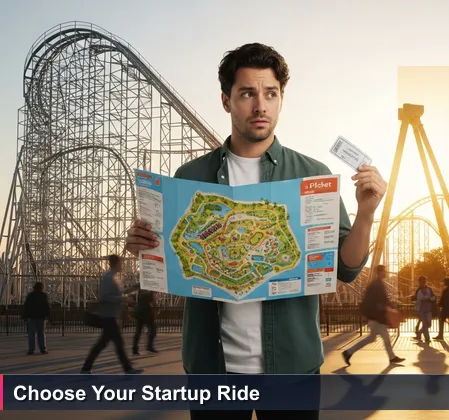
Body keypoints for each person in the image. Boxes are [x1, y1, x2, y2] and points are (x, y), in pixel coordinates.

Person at [123, 43, 383, 420]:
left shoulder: (312, 174)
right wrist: (143, 245)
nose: (260, 106)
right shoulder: (188, 178)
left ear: (281, 100)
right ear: (227, 101)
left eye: (270, 94)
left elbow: (346, 268)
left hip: (292, 370)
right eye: (247, 93)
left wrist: (367, 214)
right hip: (214, 373)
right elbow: (168, 263)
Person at [81, 255, 143, 374]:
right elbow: (105, 297)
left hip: (112, 316)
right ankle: (127, 368)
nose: (123, 265)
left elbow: (118, 294)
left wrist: (132, 289)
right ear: (116, 263)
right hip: (109, 317)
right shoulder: (109, 278)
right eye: (121, 263)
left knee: (102, 344)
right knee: (117, 344)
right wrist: (123, 299)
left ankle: (86, 367)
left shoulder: (114, 277)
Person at [342, 265, 404, 365]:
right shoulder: (377, 285)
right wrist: (388, 309)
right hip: (377, 317)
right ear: (379, 272)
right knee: (382, 338)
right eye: (384, 271)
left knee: (373, 338)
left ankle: (348, 352)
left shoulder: (377, 284)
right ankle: (392, 357)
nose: (385, 273)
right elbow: (379, 301)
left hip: (376, 317)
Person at [22, 281, 51, 355]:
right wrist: (49, 316)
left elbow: (26, 306)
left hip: (32, 317)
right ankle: (43, 349)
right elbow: (47, 307)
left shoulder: (30, 295)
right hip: (41, 317)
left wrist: (25, 316)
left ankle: (31, 350)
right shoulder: (44, 295)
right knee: (41, 333)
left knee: (31, 334)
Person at [131, 289, 157, 355]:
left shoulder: (141, 291)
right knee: (152, 330)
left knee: (138, 332)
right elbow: (151, 300)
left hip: (140, 313)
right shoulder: (149, 292)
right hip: (146, 314)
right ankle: (149, 347)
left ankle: (135, 349)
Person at [413, 276, 436, 343]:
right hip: (421, 310)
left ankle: (419, 333)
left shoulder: (429, 289)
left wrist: (430, 299)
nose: (422, 282)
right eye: (421, 281)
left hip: (428, 309)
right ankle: (427, 338)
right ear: (419, 282)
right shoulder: (418, 290)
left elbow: (433, 297)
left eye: (423, 281)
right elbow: (416, 299)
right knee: (425, 323)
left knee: (428, 324)